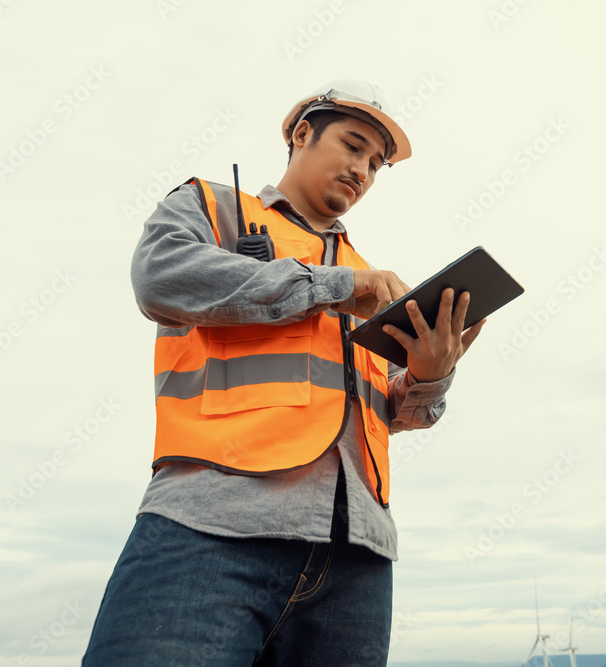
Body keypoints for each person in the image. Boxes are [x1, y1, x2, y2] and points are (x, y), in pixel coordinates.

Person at [82, 80, 485, 666]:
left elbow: (386, 413)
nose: (363, 170)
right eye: (352, 146)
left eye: (375, 163)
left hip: (356, 560)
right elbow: (161, 276)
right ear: (302, 134)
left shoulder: (369, 274)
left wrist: (431, 374)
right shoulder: (214, 207)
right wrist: (335, 288)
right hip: (211, 526)